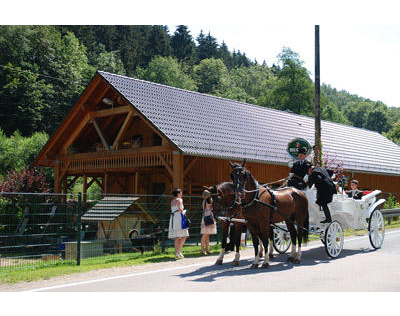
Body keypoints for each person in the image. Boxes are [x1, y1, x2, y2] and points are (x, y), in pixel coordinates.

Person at [168, 188, 189, 259]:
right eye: (181, 192)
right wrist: (184, 211)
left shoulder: (172, 201)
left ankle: (176, 253)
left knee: (176, 237)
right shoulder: (180, 200)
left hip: (173, 218)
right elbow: (180, 209)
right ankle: (178, 251)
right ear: (178, 194)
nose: (182, 194)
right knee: (185, 235)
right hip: (179, 217)